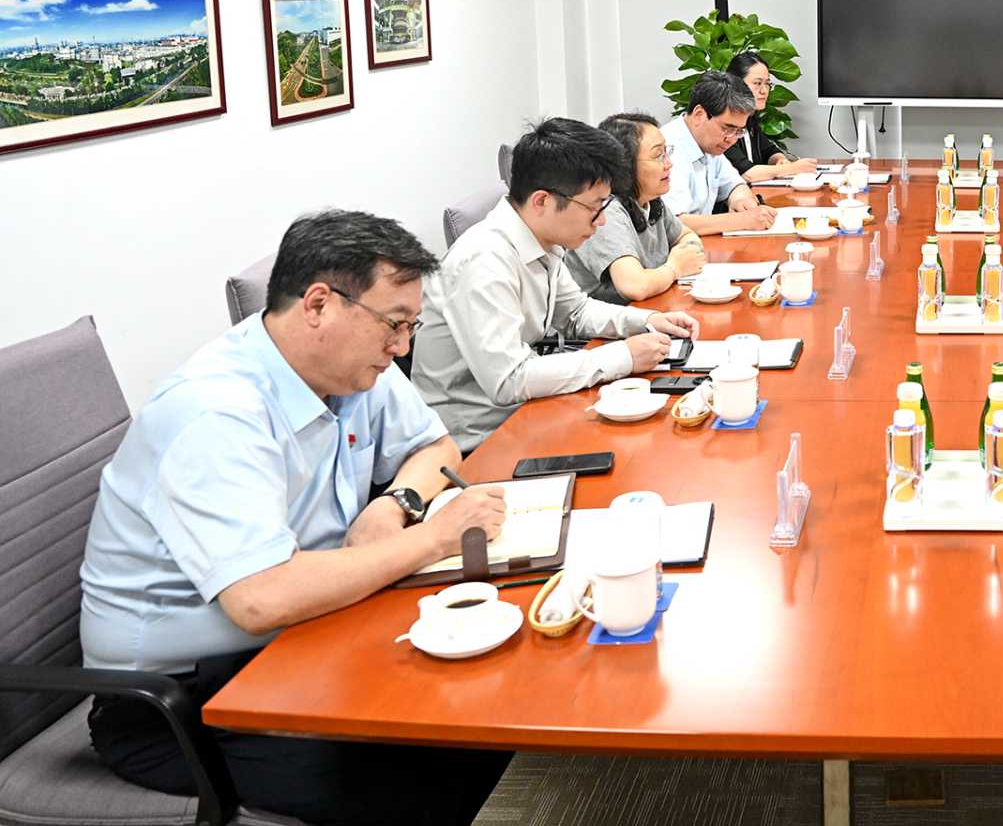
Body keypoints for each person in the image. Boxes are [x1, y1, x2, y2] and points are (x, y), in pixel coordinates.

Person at [80, 210, 511, 826]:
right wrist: (430, 540)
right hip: (179, 704)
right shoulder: (217, 413)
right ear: (318, 305)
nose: (402, 347)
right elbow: (261, 600)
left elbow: (435, 448)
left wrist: (396, 505)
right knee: (438, 777)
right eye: (395, 325)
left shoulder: (351, 368)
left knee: (479, 712)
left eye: (410, 326)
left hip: (311, 637)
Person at [410, 117, 699, 452]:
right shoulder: (483, 261)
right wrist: (623, 356)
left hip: (530, 410)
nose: (602, 220)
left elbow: (575, 312)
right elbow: (510, 379)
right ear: (542, 201)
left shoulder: (542, 238)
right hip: (479, 440)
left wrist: (647, 320)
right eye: (594, 207)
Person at [564, 112, 707, 304]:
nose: (669, 163)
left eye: (667, 152)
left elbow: (687, 236)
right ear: (624, 164)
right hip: (604, 320)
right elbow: (635, 287)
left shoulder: (650, 201)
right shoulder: (606, 210)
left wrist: (684, 255)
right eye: (658, 155)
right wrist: (675, 268)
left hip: (649, 308)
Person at [662, 70, 778, 236]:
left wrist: (740, 199)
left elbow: (735, 184)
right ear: (699, 115)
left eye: (739, 131)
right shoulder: (668, 150)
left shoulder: (709, 144)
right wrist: (743, 220)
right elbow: (674, 224)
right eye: (728, 129)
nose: (732, 140)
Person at [724, 49, 817, 184]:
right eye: (757, 83)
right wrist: (792, 168)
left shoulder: (750, 118)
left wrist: (780, 160)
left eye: (767, 84)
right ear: (736, 84)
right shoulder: (724, 123)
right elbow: (747, 174)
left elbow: (768, 150)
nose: (764, 91)